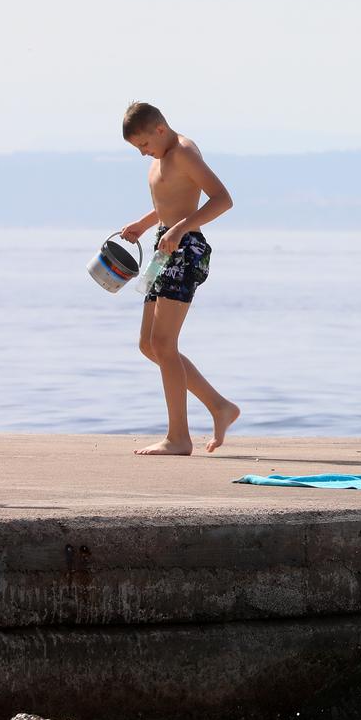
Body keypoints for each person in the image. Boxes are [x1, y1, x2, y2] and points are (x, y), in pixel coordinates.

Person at [119, 102, 239, 456]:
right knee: (149, 344)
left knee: (164, 344)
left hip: (185, 249)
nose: (143, 153)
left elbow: (222, 199)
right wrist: (144, 224)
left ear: (159, 129)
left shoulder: (183, 151)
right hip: (163, 249)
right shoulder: (161, 157)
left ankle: (179, 438)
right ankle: (219, 406)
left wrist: (183, 227)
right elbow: (171, 200)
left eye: (143, 145)